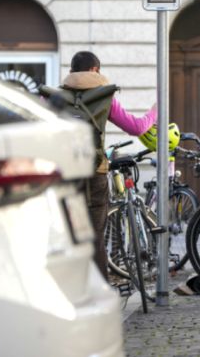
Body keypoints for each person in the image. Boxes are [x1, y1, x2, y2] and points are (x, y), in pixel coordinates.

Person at [47, 51, 157, 279]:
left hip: (65, 175)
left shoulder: (53, 97)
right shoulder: (105, 97)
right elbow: (136, 128)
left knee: (68, 235)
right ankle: (99, 290)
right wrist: (157, 110)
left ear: (71, 71)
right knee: (95, 237)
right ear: (95, 70)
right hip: (94, 172)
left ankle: (70, 287)